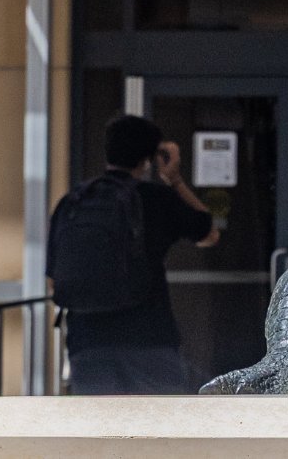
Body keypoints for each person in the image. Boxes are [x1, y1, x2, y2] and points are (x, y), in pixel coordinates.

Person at [63, 115, 220, 395]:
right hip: (149, 339)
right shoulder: (156, 199)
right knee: (160, 429)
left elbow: (54, 281)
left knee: (96, 432)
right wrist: (174, 179)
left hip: (87, 341)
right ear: (148, 158)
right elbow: (209, 234)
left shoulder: (74, 201)